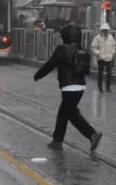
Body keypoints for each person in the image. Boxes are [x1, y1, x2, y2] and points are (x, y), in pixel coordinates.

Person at [33, 23, 103, 151]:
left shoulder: (62, 49)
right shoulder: (81, 48)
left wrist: (38, 75)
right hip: (80, 87)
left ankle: (92, 134)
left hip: (68, 87)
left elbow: (50, 64)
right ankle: (57, 140)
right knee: (64, 113)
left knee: (70, 114)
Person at [91, 23, 116, 93]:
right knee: (100, 73)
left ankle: (108, 87)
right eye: (104, 30)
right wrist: (98, 53)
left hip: (109, 57)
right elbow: (93, 47)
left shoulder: (111, 37)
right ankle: (100, 87)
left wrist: (112, 52)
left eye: (106, 30)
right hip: (101, 58)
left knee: (109, 73)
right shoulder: (97, 38)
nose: (105, 31)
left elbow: (114, 45)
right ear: (101, 30)